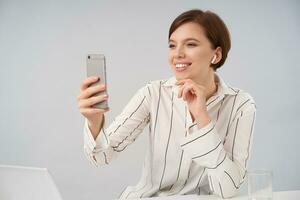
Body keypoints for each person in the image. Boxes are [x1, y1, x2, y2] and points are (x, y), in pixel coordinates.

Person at [77, 9, 256, 199]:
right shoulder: (153, 93)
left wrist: (202, 118)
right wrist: (94, 122)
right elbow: (101, 156)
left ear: (216, 55)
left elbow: (229, 189)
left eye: (191, 44)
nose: (177, 54)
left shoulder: (241, 104)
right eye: (172, 45)